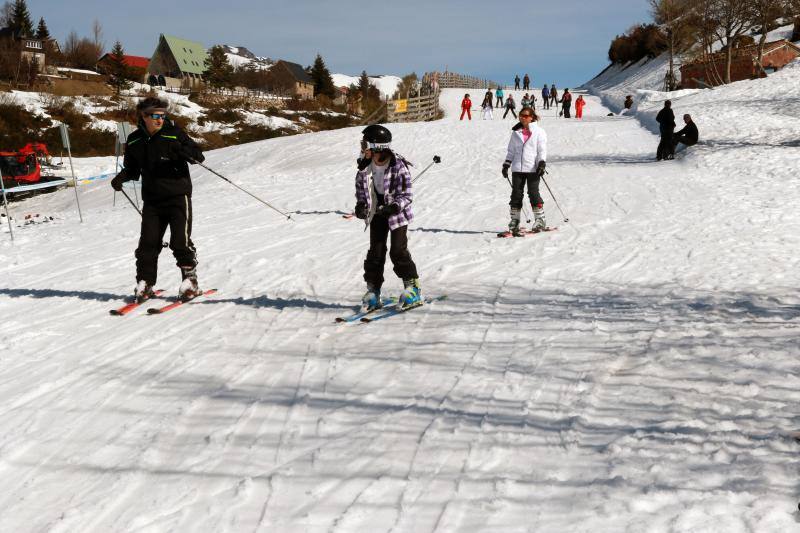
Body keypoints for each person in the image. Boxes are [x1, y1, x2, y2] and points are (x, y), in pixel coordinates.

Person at [110, 97, 205, 302]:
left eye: (163, 115)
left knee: (180, 241)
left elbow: (198, 157)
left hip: (178, 196)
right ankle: (145, 283)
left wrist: (183, 151)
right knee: (148, 244)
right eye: (155, 115)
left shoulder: (174, 133)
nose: (160, 119)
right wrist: (121, 178)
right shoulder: (135, 140)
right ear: (144, 116)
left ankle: (190, 282)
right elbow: (133, 168)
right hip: (152, 200)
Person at [353, 125, 421, 311]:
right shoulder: (365, 166)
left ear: (378, 146)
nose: (362, 147)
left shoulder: (398, 165)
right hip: (376, 212)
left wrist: (393, 207)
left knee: (398, 251)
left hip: (396, 214)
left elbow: (407, 195)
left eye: (365, 144)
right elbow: (361, 189)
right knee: (376, 252)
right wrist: (361, 206)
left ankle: (412, 288)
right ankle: (373, 291)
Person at [501, 108, 548, 235]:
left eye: (525, 116)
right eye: (521, 115)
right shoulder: (516, 132)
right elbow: (511, 151)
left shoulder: (539, 132)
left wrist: (542, 163)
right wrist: (506, 165)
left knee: (533, 193)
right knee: (516, 194)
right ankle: (514, 221)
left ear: (531, 117)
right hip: (517, 168)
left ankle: (540, 220)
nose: (522, 118)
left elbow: (541, 150)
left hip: (533, 168)